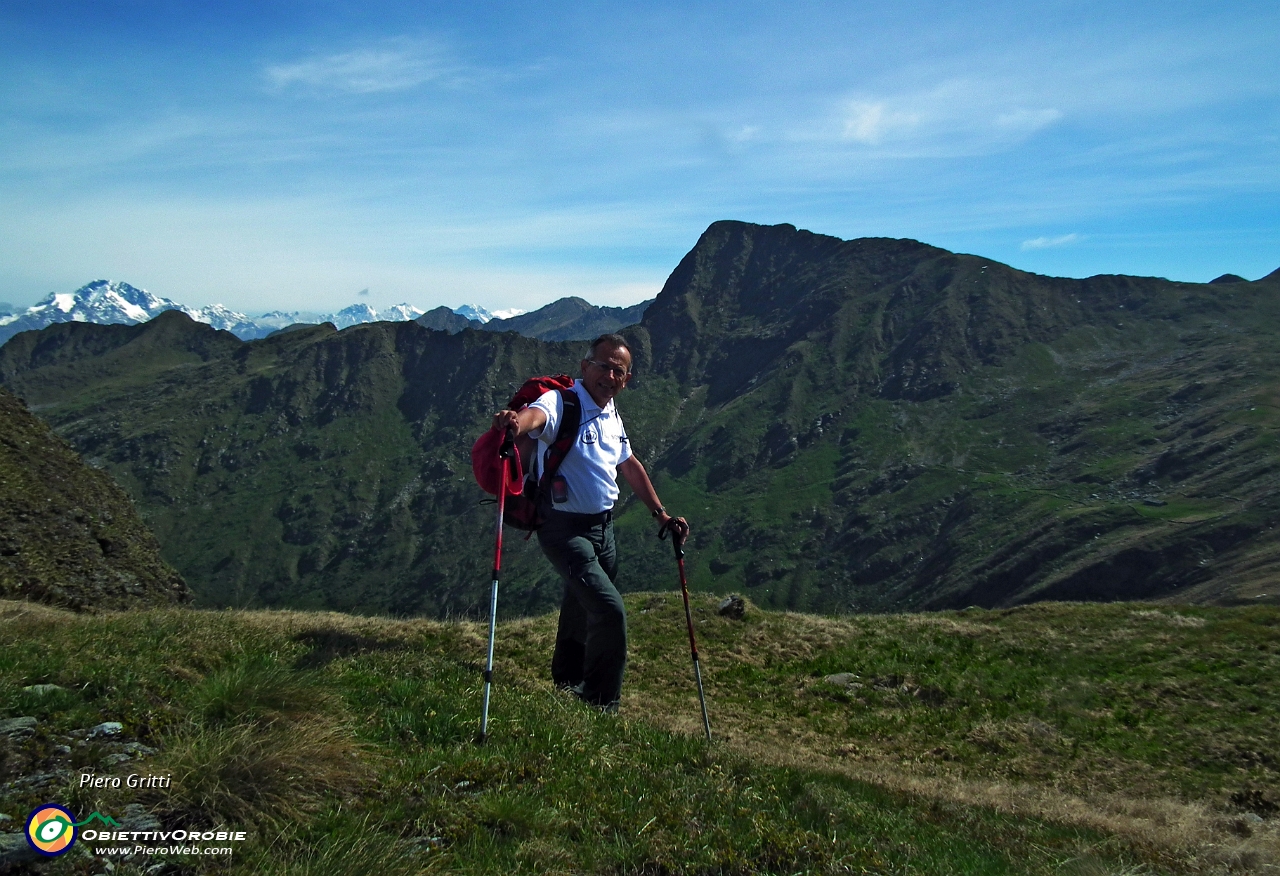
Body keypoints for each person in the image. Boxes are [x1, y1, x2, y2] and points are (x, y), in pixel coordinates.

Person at [491, 333, 688, 711]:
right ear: (585, 367)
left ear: (626, 379)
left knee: (580, 604)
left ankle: (566, 680)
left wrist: (660, 513)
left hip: (604, 530)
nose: (610, 375)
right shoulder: (562, 401)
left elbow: (628, 464)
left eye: (619, 371)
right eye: (603, 366)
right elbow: (537, 417)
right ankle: (600, 703)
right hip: (563, 529)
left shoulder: (611, 413)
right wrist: (516, 423)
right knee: (609, 609)